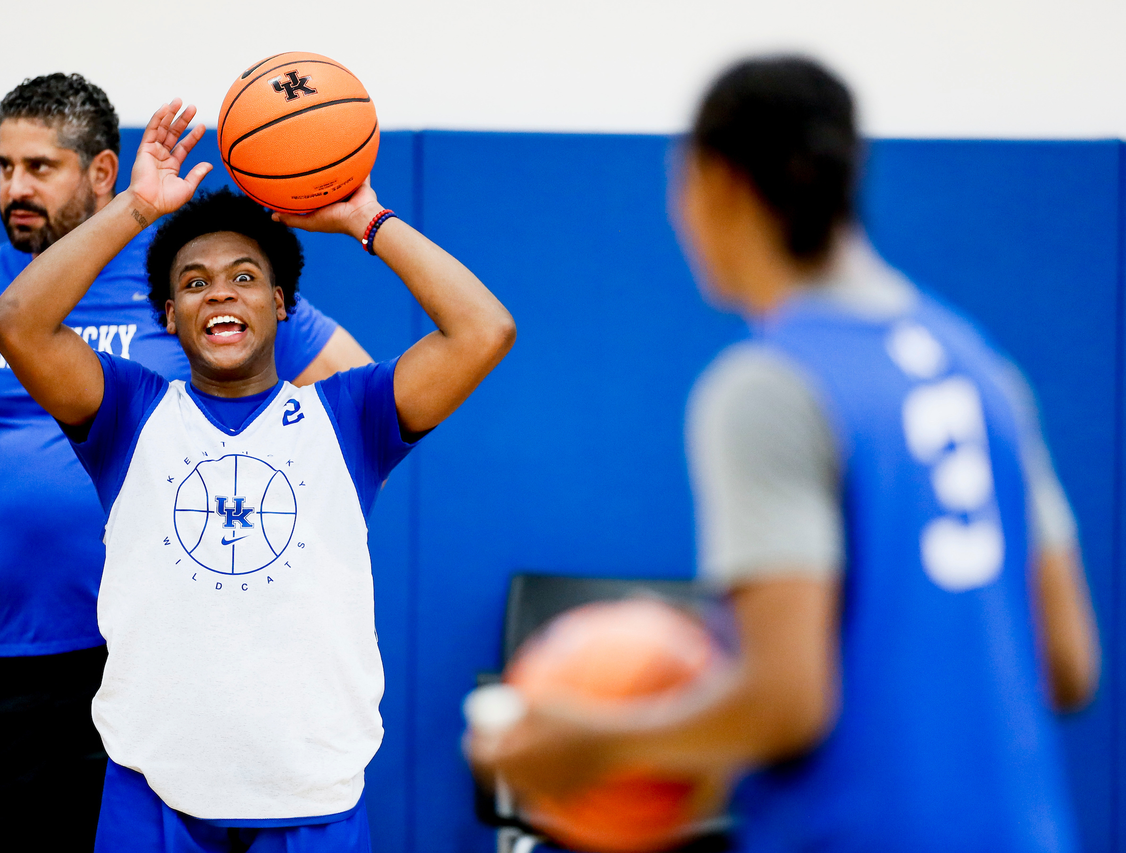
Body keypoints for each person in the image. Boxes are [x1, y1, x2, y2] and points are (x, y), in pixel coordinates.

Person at [469, 56, 1099, 852]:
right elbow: (1069, 663)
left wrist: (600, 740)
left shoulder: (771, 384)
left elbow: (786, 701)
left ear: (718, 182)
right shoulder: (981, 366)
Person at [0, 74, 370, 852]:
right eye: (4, 166)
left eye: (40, 167)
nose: (15, 188)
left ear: (100, 173)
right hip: (20, 663)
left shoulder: (186, 283)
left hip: (169, 663)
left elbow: (349, 406)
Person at [0, 99, 514, 852]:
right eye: (195, 283)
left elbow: (484, 329)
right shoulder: (128, 413)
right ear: (170, 316)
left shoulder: (350, 414)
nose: (222, 290)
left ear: (280, 303)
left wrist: (368, 219)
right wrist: (138, 207)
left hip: (313, 796)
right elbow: (17, 321)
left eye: (243, 275)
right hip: (154, 794)